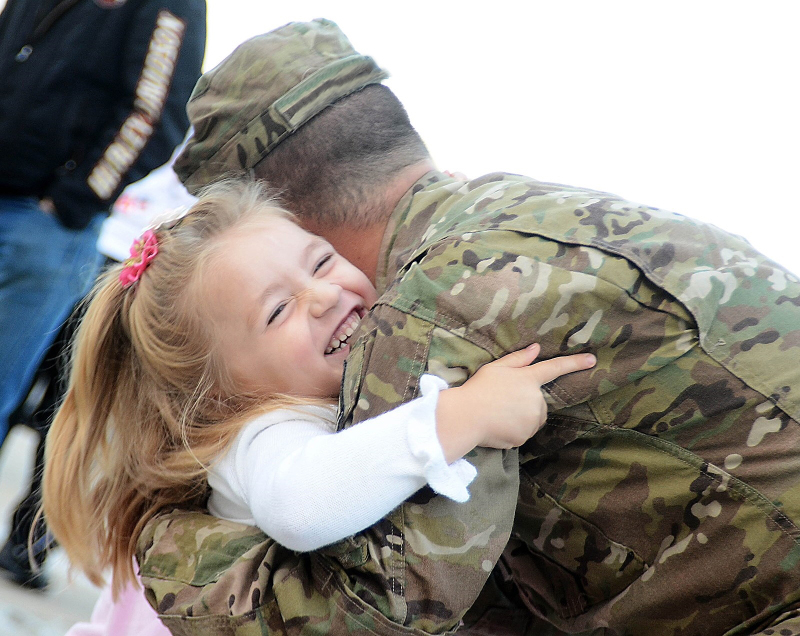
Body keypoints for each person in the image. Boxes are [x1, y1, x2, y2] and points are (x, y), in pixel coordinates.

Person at [134, 19, 800, 636]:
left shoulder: (426, 311)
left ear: (281, 221)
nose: (315, 296)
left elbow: (376, 613)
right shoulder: (514, 205)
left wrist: (171, 545)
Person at [41, 179, 594, 607]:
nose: (325, 294)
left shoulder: (319, 376)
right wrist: (461, 416)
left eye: (322, 259)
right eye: (277, 310)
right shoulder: (258, 433)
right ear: (218, 394)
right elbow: (300, 509)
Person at [0, 0, 206, 588]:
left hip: (65, 234)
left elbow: (157, 112)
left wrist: (74, 198)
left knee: (60, 400)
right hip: (26, 211)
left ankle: (30, 542)